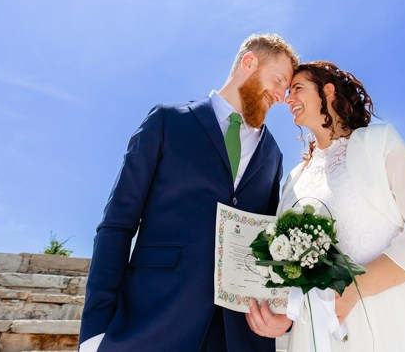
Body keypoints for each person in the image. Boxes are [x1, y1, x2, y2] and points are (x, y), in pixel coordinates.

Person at [79, 34, 299, 352]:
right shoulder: (167, 122)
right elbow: (117, 225)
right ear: (249, 63)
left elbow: (271, 246)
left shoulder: (273, 154)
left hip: (238, 336)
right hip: (153, 323)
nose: (281, 96)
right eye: (278, 81)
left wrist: (284, 316)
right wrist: (94, 331)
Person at [245, 61, 405, 351]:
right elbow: (285, 265)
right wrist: (285, 317)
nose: (287, 99)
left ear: (328, 90)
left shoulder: (380, 143)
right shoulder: (294, 179)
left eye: (297, 89)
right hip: (314, 334)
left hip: (388, 319)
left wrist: (355, 287)